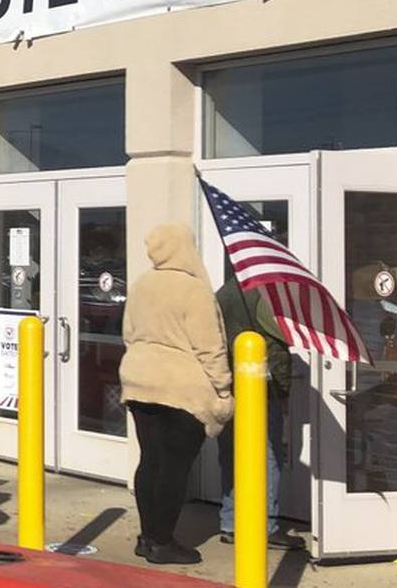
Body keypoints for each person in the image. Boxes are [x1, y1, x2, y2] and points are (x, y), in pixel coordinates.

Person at [119, 223, 234, 566]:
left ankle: (148, 537)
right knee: (174, 466)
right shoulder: (194, 290)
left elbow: (128, 333)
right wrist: (224, 390)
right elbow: (209, 346)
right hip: (180, 389)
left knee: (150, 460)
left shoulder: (141, 284)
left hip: (138, 381)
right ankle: (163, 541)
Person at [215, 279, 302, 549]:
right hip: (262, 386)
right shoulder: (267, 293)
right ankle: (267, 524)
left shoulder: (224, 292)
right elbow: (281, 340)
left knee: (231, 453)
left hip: (229, 382)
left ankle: (230, 521)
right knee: (269, 454)